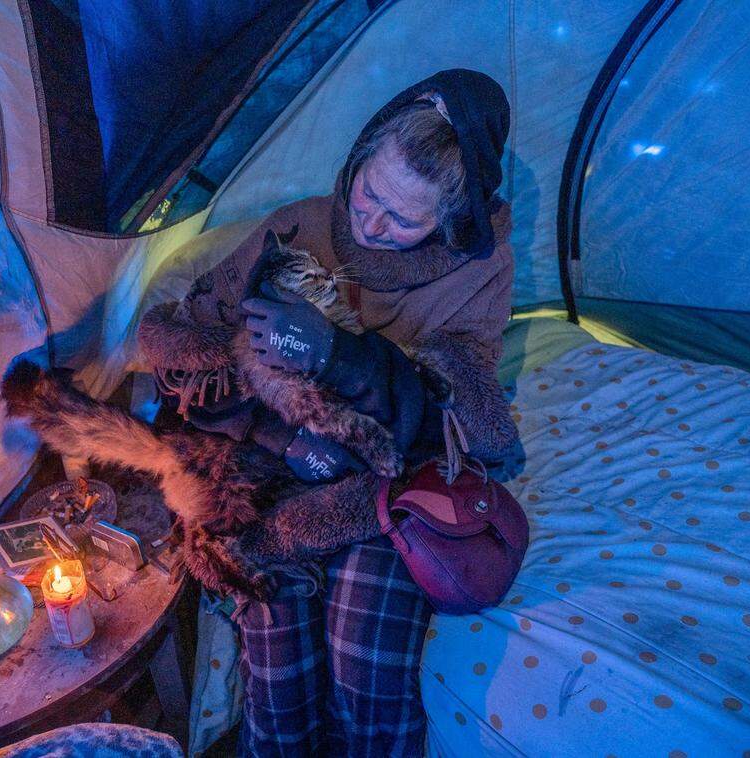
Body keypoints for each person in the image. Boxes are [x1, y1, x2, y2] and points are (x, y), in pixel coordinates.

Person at [141, 70, 518, 756]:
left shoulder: (476, 271)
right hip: (273, 469)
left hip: (385, 478)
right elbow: (184, 354)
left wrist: (342, 355)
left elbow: (454, 422)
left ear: (451, 218)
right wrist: (279, 439)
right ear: (356, 161)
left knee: (364, 658)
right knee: (275, 654)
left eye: (403, 219)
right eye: (368, 192)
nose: (370, 223)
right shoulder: (300, 225)